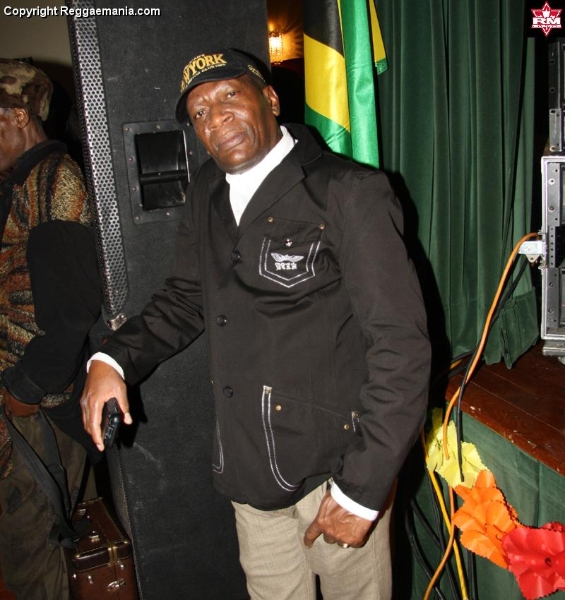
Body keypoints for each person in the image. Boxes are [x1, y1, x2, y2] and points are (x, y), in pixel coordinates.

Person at [81, 48, 431, 600]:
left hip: (336, 471)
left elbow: (401, 346)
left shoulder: (347, 191)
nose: (215, 118)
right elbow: (186, 298)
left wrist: (363, 490)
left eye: (229, 96)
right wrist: (112, 358)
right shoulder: (207, 190)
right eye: (199, 112)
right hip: (248, 466)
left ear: (269, 98)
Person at [0, 59, 102, 599]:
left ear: (19, 115)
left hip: (38, 407)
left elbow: (72, 310)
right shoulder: (23, 180)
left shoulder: (52, 180)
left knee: (32, 551)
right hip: (28, 403)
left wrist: (24, 389)